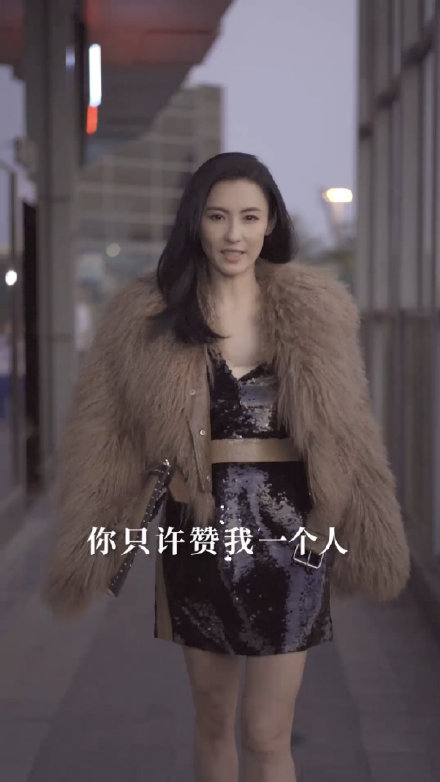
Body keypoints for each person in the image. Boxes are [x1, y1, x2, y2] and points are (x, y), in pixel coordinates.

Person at [42, 152, 410, 782]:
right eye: (217, 217)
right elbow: (104, 433)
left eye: (249, 217)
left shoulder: (316, 309)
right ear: (196, 221)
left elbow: (350, 433)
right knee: (213, 723)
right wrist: (93, 538)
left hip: (293, 538)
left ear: (271, 224)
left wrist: (367, 530)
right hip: (199, 535)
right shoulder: (146, 313)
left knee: (267, 731)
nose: (233, 234)